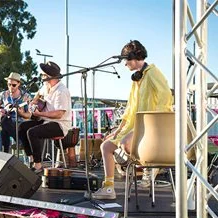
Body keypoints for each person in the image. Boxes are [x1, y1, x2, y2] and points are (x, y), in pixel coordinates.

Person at [92, 40, 173, 200]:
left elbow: (166, 95)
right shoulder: (137, 79)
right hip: (135, 127)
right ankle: (109, 189)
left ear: (133, 57)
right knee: (106, 146)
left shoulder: (153, 72)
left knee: (124, 144)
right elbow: (129, 110)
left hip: (149, 128)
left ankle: (149, 165)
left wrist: (153, 122)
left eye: (125, 60)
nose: (124, 64)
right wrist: (116, 131)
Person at [18, 61, 72, 173]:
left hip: (60, 124)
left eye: (43, 75)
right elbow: (38, 94)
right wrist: (33, 102)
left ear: (49, 77)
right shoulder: (46, 86)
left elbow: (59, 114)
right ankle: (32, 158)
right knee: (22, 127)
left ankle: (38, 165)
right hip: (46, 121)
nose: (41, 77)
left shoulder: (61, 91)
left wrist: (39, 114)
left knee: (32, 132)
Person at [0, 72, 31, 153]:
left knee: (4, 126)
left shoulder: (26, 97)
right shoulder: (4, 94)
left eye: (13, 85)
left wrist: (21, 113)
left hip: (20, 124)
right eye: (9, 84)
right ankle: (19, 141)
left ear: (18, 84)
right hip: (7, 122)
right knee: (5, 122)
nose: (11, 87)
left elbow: (29, 115)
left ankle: (6, 152)